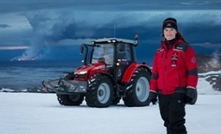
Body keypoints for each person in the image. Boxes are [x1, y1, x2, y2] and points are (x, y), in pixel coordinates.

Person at [149, 17, 198, 134]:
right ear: (163, 33)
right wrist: (153, 91)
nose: (169, 32)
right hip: (162, 93)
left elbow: (192, 71)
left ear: (176, 31)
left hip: (178, 91)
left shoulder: (184, 48)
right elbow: (155, 74)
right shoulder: (159, 51)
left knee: (176, 122)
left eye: (171, 30)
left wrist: (191, 89)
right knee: (168, 122)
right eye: (166, 30)